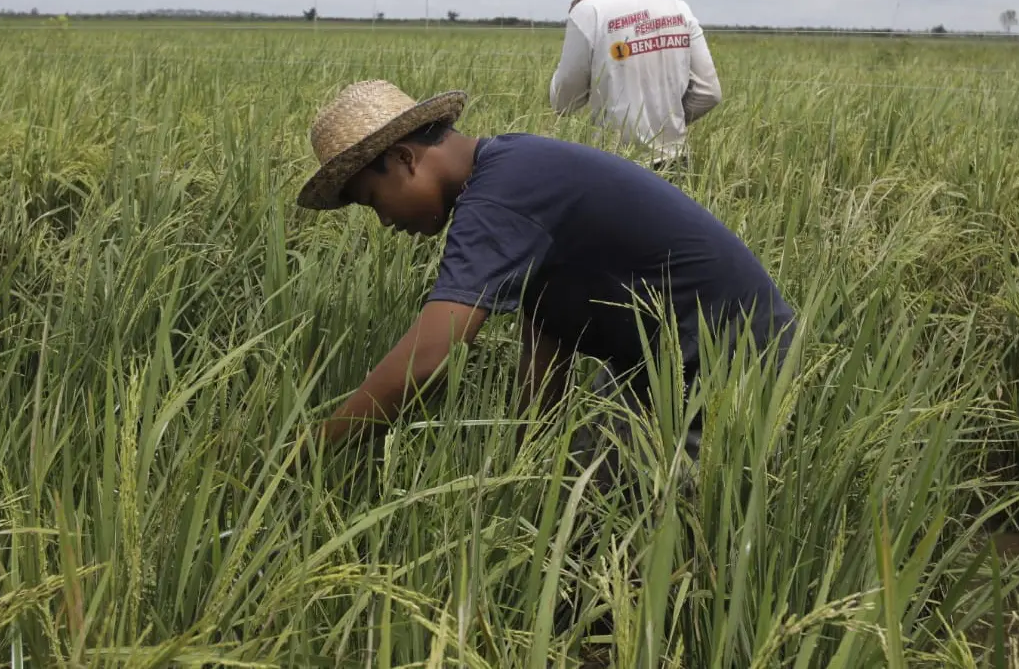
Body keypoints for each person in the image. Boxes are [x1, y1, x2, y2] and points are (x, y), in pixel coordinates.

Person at [298, 79, 795, 462]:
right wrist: (529, 456)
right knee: (574, 499)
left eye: (372, 200)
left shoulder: (498, 197)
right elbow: (548, 327)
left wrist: (310, 453)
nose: (384, 220)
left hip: (729, 364)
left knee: (607, 539)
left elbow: (429, 357)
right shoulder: (511, 170)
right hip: (659, 364)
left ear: (404, 158)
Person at [549, 0, 723, 171]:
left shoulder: (588, 11)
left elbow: (564, 100)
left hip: (615, 164)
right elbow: (709, 93)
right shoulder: (678, 6)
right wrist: (667, 122)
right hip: (675, 160)